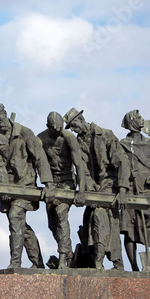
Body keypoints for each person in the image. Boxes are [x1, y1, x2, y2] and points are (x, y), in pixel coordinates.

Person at [0, 102, 54, 269]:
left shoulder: (24, 133)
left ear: (5, 113)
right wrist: (4, 186)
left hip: (26, 184)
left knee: (15, 216)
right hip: (7, 185)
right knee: (19, 226)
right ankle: (38, 263)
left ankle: (15, 263)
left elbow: (39, 157)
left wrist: (48, 183)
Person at [64, 107, 129, 270]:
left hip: (110, 183)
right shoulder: (77, 143)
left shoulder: (106, 134)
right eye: (71, 127)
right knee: (90, 219)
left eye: (73, 125)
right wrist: (86, 187)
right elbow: (81, 169)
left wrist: (122, 189)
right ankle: (100, 260)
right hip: (92, 187)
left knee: (101, 215)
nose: (73, 129)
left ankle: (106, 260)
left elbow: (121, 161)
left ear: (80, 119)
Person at [119, 110, 150, 271]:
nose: (142, 120)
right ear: (133, 121)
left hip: (148, 190)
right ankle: (133, 266)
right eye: (139, 117)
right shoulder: (123, 144)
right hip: (131, 191)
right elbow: (119, 165)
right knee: (129, 228)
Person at [37, 112, 86, 269]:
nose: (58, 134)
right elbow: (38, 164)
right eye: (54, 131)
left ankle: (63, 258)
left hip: (67, 183)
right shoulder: (41, 139)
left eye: (60, 131)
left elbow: (79, 165)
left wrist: (81, 191)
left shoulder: (68, 137)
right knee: (52, 224)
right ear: (48, 127)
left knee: (60, 215)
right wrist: (47, 184)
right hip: (51, 184)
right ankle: (70, 255)